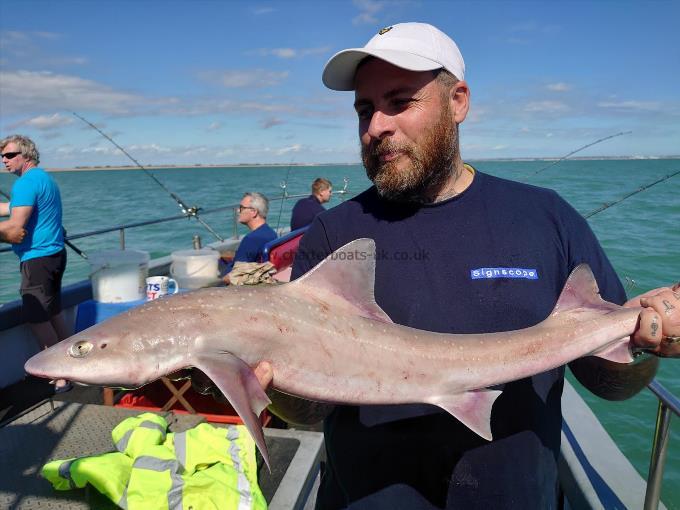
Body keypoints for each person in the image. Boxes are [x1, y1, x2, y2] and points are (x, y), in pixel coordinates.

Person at [245, 23, 679, 509]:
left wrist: (645, 343)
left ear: (458, 101)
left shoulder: (546, 216)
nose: (376, 126)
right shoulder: (334, 234)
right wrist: (267, 383)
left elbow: (605, 381)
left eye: (399, 101)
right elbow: (309, 411)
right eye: (365, 109)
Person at [0, 135, 71, 393]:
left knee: (36, 317)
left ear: (26, 155)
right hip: (55, 255)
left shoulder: (25, 183)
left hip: (37, 259)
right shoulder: (43, 179)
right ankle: (76, 364)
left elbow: (15, 228)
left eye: (9, 155)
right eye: (2, 157)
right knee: (53, 313)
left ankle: (59, 374)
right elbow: (13, 207)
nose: (4, 161)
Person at [222, 192, 277, 283]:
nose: (238, 211)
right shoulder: (271, 233)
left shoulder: (251, 240)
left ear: (254, 212)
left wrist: (215, 282)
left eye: (241, 208)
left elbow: (235, 276)